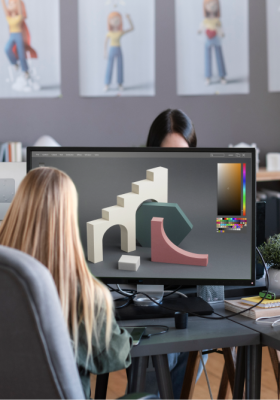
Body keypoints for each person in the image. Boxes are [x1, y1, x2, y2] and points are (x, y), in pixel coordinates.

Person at [0, 167, 132, 400]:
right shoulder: (87, 295)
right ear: (68, 219)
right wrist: (126, 338)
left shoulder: (7, 277)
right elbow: (109, 357)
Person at [146, 109, 207, 400]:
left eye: (182, 155)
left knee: (181, 389)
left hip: (198, 298)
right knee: (155, 387)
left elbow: (233, 230)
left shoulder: (212, 183)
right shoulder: (138, 189)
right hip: (149, 300)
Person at [1, 0, 39, 91]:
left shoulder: (20, 16)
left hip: (19, 35)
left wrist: (17, 2)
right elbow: (4, 7)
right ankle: (15, 63)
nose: (10, 5)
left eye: (13, 3)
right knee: (7, 48)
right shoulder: (8, 16)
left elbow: (20, 7)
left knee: (22, 55)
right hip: (12, 35)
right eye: (9, 4)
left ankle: (25, 71)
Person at [198, 0, 226, 85]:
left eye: (214, 5)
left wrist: (221, 33)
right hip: (208, 39)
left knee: (219, 56)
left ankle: (222, 76)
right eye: (209, 5)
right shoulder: (206, 20)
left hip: (216, 38)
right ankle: (208, 76)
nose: (212, 6)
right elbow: (202, 26)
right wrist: (200, 30)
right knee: (207, 57)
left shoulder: (217, 20)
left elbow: (220, 28)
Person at [104, 12, 134, 92]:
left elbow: (132, 28)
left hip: (118, 49)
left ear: (120, 21)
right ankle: (107, 84)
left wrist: (129, 18)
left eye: (117, 19)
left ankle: (120, 83)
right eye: (113, 19)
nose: (115, 21)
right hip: (111, 50)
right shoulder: (109, 33)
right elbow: (105, 43)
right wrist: (105, 52)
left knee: (120, 66)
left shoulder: (120, 32)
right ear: (109, 21)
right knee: (109, 67)